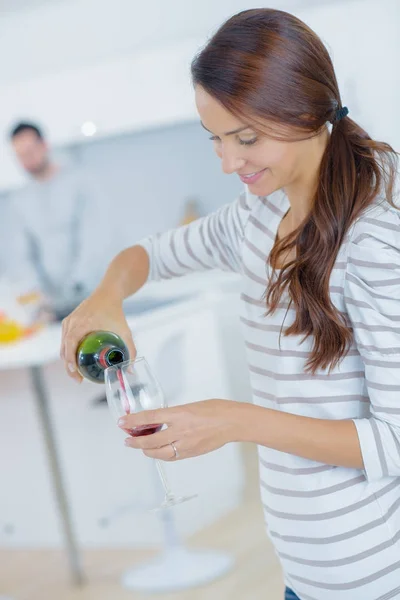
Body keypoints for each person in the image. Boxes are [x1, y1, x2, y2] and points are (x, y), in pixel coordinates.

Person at [60, 9, 399, 600]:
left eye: (246, 139)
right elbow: (150, 254)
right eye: (214, 137)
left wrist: (234, 420)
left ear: (307, 112)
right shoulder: (259, 213)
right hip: (302, 570)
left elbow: (394, 442)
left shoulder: (373, 242)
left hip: (369, 575)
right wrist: (107, 297)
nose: (227, 162)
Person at [6, 122, 115, 321]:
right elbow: (23, 255)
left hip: (95, 295)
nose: (27, 160)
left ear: (44, 146)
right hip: (55, 309)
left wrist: (77, 286)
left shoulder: (79, 181)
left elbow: (95, 237)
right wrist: (36, 296)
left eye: (30, 151)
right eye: (21, 155)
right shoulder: (20, 201)